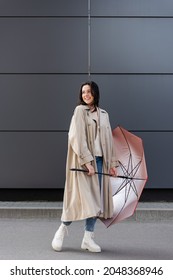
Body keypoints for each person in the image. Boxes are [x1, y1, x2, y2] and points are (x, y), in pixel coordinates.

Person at [52, 81, 118, 253]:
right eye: (83, 92)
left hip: (99, 162)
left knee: (95, 203)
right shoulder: (80, 111)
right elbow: (76, 137)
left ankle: (88, 238)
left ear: (95, 93)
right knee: (78, 199)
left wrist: (111, 164)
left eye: (89, 91)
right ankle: (61, 230)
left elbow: (109, 141)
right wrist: (87, 161)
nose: (86, 95)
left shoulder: (104, 114)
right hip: (84, 162)